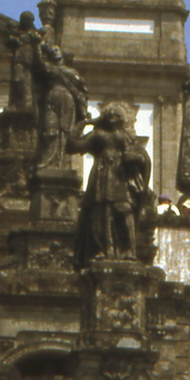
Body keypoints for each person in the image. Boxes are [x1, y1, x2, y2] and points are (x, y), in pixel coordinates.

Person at [69, 104, 153, 265]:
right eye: (109, 113)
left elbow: (144, 158)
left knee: (124, 210)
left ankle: (128, 250)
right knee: (99, 213)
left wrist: (136, 158)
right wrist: (85, 123)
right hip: (101, 176)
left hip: (122, 178)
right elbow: (72, 145)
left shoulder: (128, 138)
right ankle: (101, 249)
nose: (113, 115)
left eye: (116, 114)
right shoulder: (98, 135)